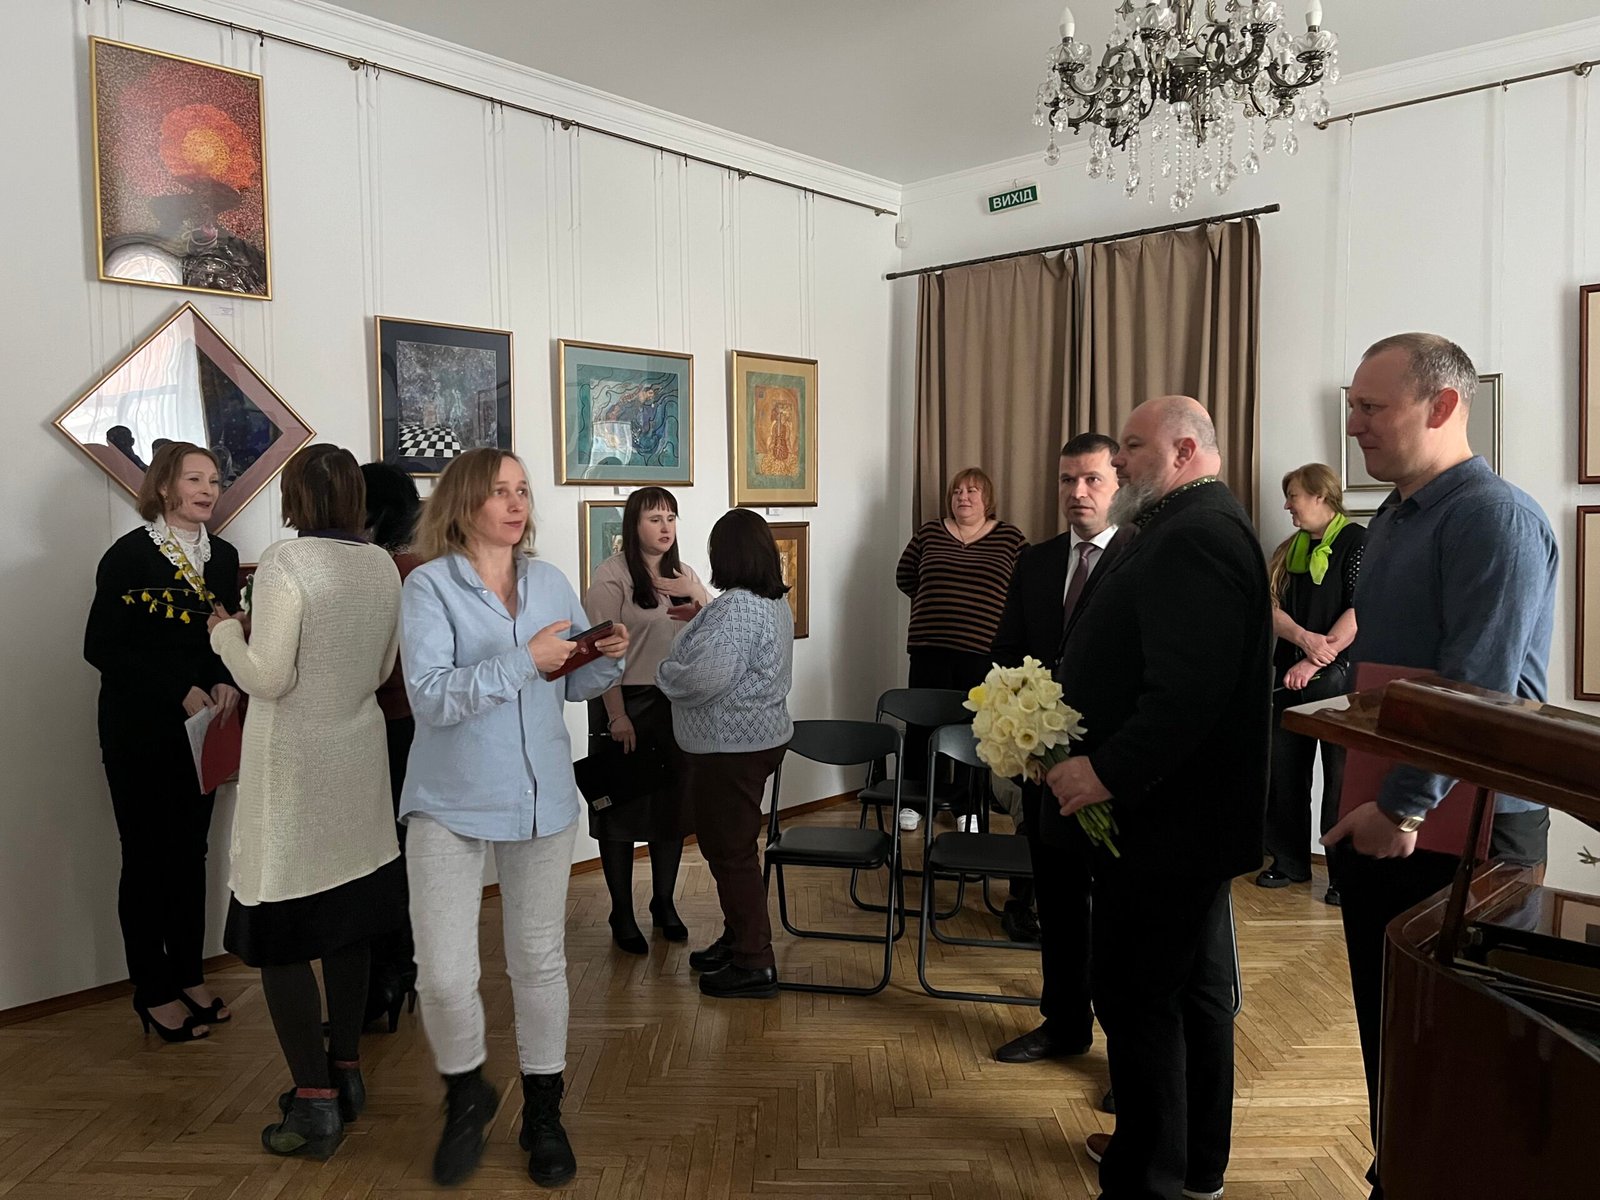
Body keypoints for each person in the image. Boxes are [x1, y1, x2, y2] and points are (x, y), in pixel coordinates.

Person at [1320, 333, 1557, 1200]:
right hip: (1389, 809)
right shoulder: (1392, 517)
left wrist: (1405, 806)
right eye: (1352, 406)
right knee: (1394, 1030)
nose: (1354, 425)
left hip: (1461, 828)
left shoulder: (1493, 516)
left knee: (1455, 1049)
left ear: (1445, 404)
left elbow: (1479, 683)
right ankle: (1399, 1169)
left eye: (1371, 407)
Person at [1045, 397, 1271, 1200]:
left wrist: (1103, 772)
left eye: (1133, 447)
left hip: (1168, 825)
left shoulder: (1195, 535)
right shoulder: (1193, 523)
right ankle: (1191, 1163)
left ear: (1181, 451)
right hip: (1185, 823)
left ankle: (1148, 1180)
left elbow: (1186, 693)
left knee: (1139, 999)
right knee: (1193, 994)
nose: (1120, 461)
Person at [399, 448, 628, 1188]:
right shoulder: (428, 586)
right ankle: (466, 1092)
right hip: (449, 802)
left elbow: (572, 684)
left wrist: (606, 656)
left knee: (538, 963)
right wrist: (526, 659)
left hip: (542, 800)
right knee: (443, 975)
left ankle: (544, 1113)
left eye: (523, 490)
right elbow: (431, 697)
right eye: (501, 491)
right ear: (464, 501)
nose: (517, 502)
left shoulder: (552, 580)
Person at [207, 444, 403, 1160]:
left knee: (282, 933)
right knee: (349, 924)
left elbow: (267, 677)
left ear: (295, 498)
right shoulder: (381, 564)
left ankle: (314, 1104)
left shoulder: (287, 563)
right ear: (354, 496)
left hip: (294, 769)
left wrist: (224, 633)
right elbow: (382, 667)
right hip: (357, 760)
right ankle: (346, 1073)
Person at [84, 441, 240, 1043]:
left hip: (201, 734)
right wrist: (177, 688)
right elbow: (101, 647)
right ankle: (152, 991)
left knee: (191, 855)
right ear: (166, 487)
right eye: (194, 479)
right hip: (139, 731)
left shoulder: (223, 556)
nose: (207, 489)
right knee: (147, 858)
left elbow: (220, 638)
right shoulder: (128, 555)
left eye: (214, 480)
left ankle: (189, 976)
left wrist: (224, 679)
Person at [989, 432, 1133, 1064]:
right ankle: (1065, 1024)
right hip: (1043, 766)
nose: (1078, 492)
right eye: (1067, 480)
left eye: (1093, 479)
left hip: (1115, 769)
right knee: (1059, 900)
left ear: (1120, 484)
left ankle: (1130, 1057)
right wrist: (1023, 731)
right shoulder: (1037, 561)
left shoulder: (1142, 556)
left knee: (1122, 916)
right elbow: (1006, 654)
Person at [657, 509, 794, 1000]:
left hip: (731, 748)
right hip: (758, 740)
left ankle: (755, 961)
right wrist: (703, 618)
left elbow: (702, 679)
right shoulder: (773, 600)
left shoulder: (737, 607)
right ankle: (738, 940)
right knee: (732, 847)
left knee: (730, 853)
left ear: (727, 554)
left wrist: (664, 672)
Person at [582, 486, 710, 955]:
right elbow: (600, 655)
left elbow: (714, 632)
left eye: (671, 518)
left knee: (671, 811)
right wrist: (616, 714)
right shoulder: (611, 577)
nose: (665, 527)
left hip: (673, 703)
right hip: (625, 703)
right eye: (655, 518)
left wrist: (698, 595)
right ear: (634, 524)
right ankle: (621, 910)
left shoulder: (684, 574)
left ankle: (664, 902)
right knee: (618, 811)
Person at [895, 467, 1028, 830]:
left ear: (988, 499)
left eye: (971, 491)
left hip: (983, 653)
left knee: (973, 730)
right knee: (922, 726)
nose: (963, 497)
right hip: (928, 648)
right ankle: (917, 800)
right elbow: (905, 576)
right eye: (957, 491)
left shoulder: (1010, 538)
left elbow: (1024, 588)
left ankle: (967, 805)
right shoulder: (929, 532)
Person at [1256, 465, 1365, 902]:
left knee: (1340, 779)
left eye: (1294, 496)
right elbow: (1268, 606)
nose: (1287, 505)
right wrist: (1303, 641)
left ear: (1321, 496)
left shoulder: (1357, 542)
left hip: (1340, 679)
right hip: (1289, 676)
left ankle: (1343, 875)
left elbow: (1359, 609)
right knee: (1284, 772)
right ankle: (1289, 862)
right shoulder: (1289, 549)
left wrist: (1316, 659)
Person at [361, 461, 425, 1029]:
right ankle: (402, 968)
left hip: (386, 724)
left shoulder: (384, 571)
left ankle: (388, 973)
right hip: (419, 728)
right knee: (404, 850)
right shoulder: (424, 567)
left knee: (379, 855)